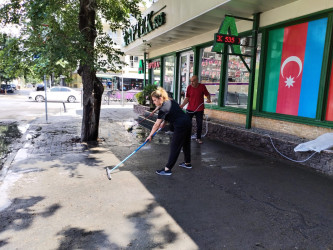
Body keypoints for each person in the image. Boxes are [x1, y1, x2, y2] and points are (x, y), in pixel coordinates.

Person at [146, 87, 192, 176]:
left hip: (180, 125)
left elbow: (156, 125)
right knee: (186, 143)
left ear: (160, 98)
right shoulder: (171, 101)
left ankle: (167, 169)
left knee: (175, 146)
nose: (154, 102)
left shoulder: (163, 109)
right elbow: (171, 112)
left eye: (155, 100)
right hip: (187, 121)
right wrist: (164, 122)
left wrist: (150, 135)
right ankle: (187, 163)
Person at [180, 75, 211, 144]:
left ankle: (198, 138)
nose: (192, 83)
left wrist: (209, 99)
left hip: (199, 109)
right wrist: (182, 105)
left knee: (199, 124)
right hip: (190, 108)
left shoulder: (202, 86)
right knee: (187, 123)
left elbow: (207, 94)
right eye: (191, 81)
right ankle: (186, 137)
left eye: (193, 81)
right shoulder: (189, 87)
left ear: (197, 80)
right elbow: (187, 98)